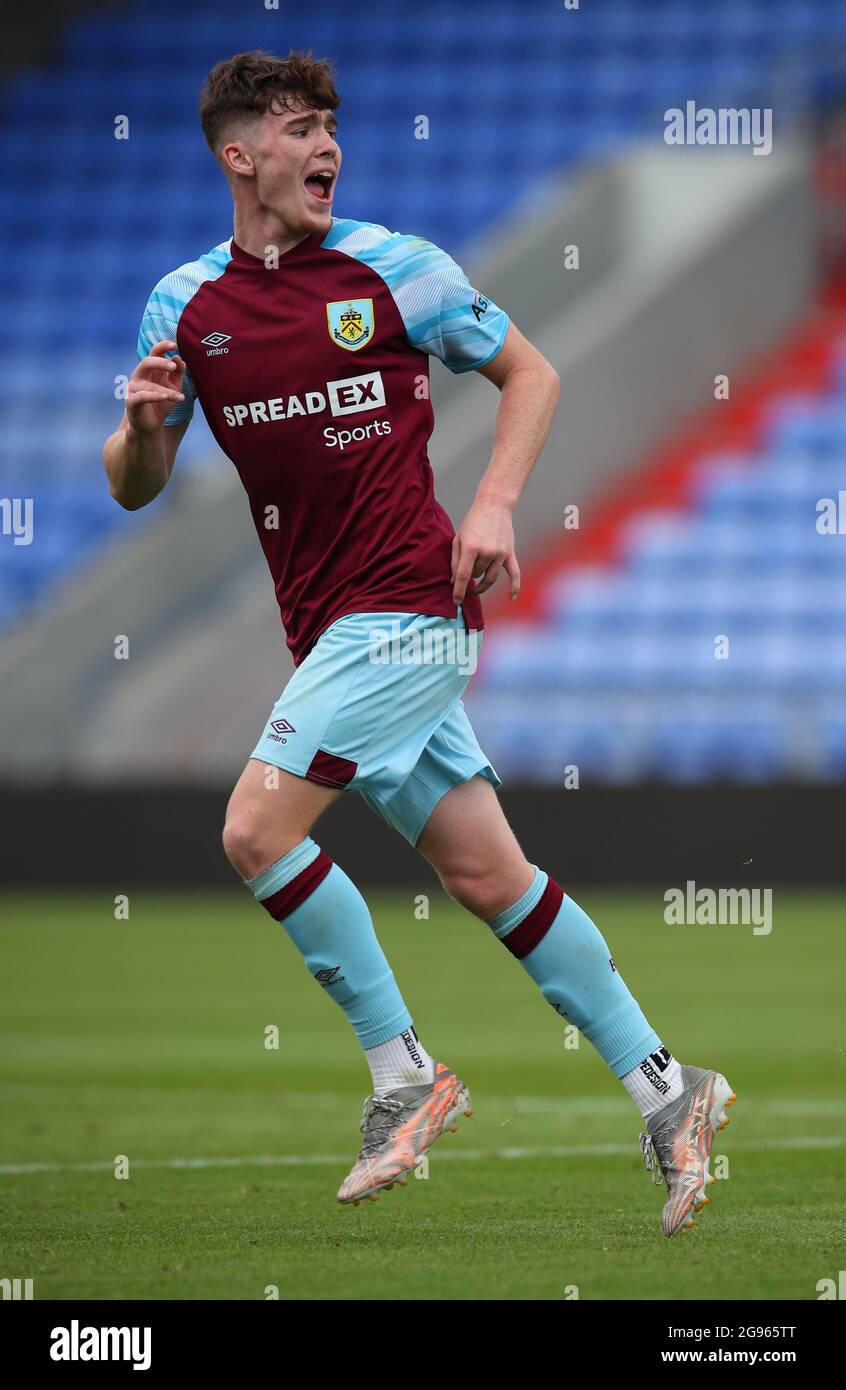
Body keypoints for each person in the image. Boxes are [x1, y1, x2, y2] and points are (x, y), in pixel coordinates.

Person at [103, 49, 735, 1235]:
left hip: (404, 607)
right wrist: (142, 434)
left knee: (252, 827)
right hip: (329, 631)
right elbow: (135, 485)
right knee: (491, 876)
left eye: (330, 124)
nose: (324, 145)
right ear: (239, 156)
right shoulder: (183, 307)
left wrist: (493, 502)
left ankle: (403, 1075)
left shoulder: (401, 271)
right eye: (296, 128)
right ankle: (670, 1086)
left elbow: (531, 373)